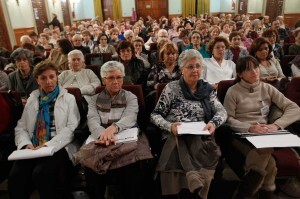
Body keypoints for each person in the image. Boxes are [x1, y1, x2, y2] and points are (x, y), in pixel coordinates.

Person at [219, 56, 300, 198]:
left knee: (267, 152)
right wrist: (249, 128)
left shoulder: (267, 88)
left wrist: (276, 125)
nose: (254, 72)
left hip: (266, 132)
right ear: (239, 74)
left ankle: (245, 192)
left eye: (256, 68)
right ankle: (260, 193)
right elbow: (228, 119)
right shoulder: (233, 91)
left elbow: (294, 109)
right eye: (248, 69)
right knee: (270, 162)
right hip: (242, 134)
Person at [150, 49, 227, 199]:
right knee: (180, 146)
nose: (195, 70)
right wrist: (169, 126)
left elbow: (222, 112)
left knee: (200, 145)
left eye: (198, 66)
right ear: (182, 69)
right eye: (190, 67)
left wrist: (213, 123)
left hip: (201, 134)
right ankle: (191, 182)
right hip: (175, 134)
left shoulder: (207, 89)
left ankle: (194, 185)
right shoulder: (171, 88)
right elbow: (155, 115)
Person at [8, 60, 80, 199]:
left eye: (52, 77)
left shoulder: (68, 98)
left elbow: (72, 128)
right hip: (33, 146)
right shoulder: (32, 99)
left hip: (58, 146)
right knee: (15, 176)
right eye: (43, 78)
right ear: (37, 80)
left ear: (57, 77)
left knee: (41, 173)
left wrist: (48, 145)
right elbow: (21, 126)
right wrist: (25, 144)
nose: (48, 81)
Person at [84, 61, 152, 199]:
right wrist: (103, 134)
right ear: (103, 80)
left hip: (127, 135)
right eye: (111, 78)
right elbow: (92, 120)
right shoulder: (93, 99)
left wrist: (112, 128)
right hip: (102, 137)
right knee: (90, 164)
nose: (116, 81)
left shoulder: (130, 96)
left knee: (132, 166)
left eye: (119, 77)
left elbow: (130, 117)